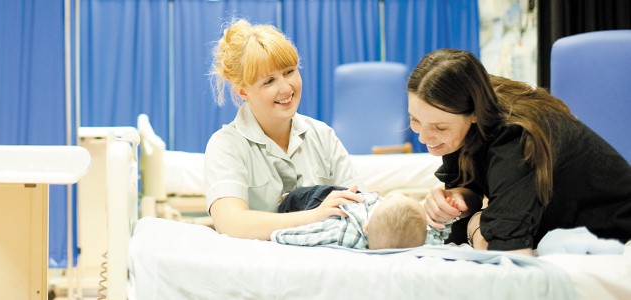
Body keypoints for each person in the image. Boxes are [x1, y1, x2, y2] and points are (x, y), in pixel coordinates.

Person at [408, 48, 631, 254]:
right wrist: (459, 197)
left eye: (440, 127)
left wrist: (475, 226)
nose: (423, 137)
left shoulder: (515, 136)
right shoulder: (464, 109)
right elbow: (473, 185)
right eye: (415, 120)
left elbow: (508, 251)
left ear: (474, 113)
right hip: (558, 214)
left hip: (615, 225)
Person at [204, 19, 362, 240]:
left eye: (289, 72)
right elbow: (231, 222)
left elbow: (358, 204)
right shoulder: (226, 145)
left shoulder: (322, 135)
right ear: (243, 92)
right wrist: (315, 216)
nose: (286, 88)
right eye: (269, 81)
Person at [272, 186, 451, 250]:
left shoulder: (345, 233)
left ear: (367, 227)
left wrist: (279, 234)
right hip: (353, 198)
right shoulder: (420, 239)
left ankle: (285, 199)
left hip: (320, 201)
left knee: (293, 198)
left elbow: (309, 234)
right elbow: (440, 232)